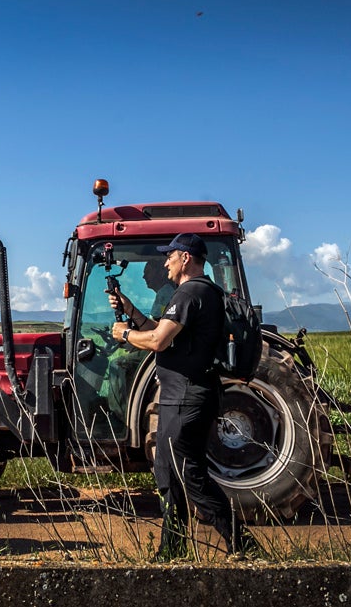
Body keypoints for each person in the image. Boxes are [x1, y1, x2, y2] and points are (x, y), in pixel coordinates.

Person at [109, 232, 258, 559]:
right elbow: (163, 331)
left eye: (170, 256)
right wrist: (130, 310)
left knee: (189, 474)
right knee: (168, 473)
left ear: (185, 258)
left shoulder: (190, 293)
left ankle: (242, 543)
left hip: (186, 398)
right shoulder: (200, 293)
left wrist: (124, 334)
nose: (166, 262)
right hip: (182, 397)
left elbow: (158, 341)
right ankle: (172, 549)